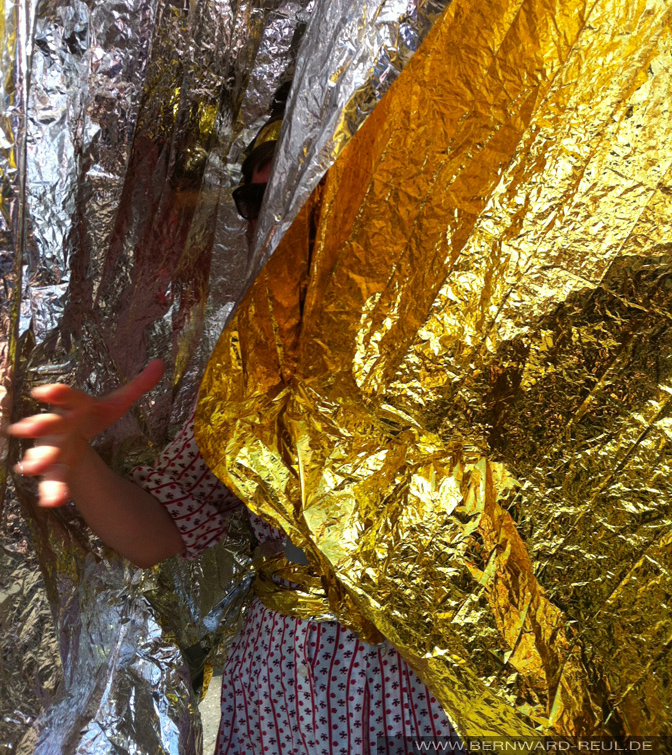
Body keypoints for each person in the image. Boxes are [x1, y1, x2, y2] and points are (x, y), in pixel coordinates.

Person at [8, 118, 459, 755]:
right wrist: (76, 457)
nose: (276, 223)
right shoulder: (247, 373)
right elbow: (159, 530)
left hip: (411, 684)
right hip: (276, 687)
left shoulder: (450, 339)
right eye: (256, 201)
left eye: (302, 195)